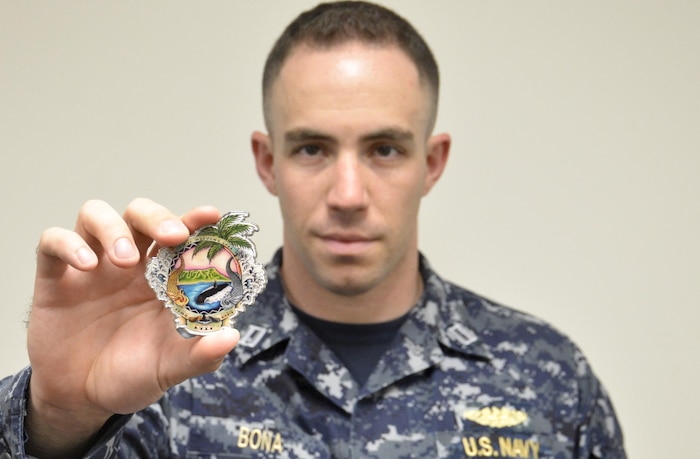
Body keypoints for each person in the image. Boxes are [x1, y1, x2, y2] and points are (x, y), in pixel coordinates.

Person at [0, 1, 626, 458]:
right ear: (267, 162)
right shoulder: (166, 372)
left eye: (384, 149)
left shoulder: (549, 379)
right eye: (312, 150)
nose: (348, 196)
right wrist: (61, 415)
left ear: (431, 163)